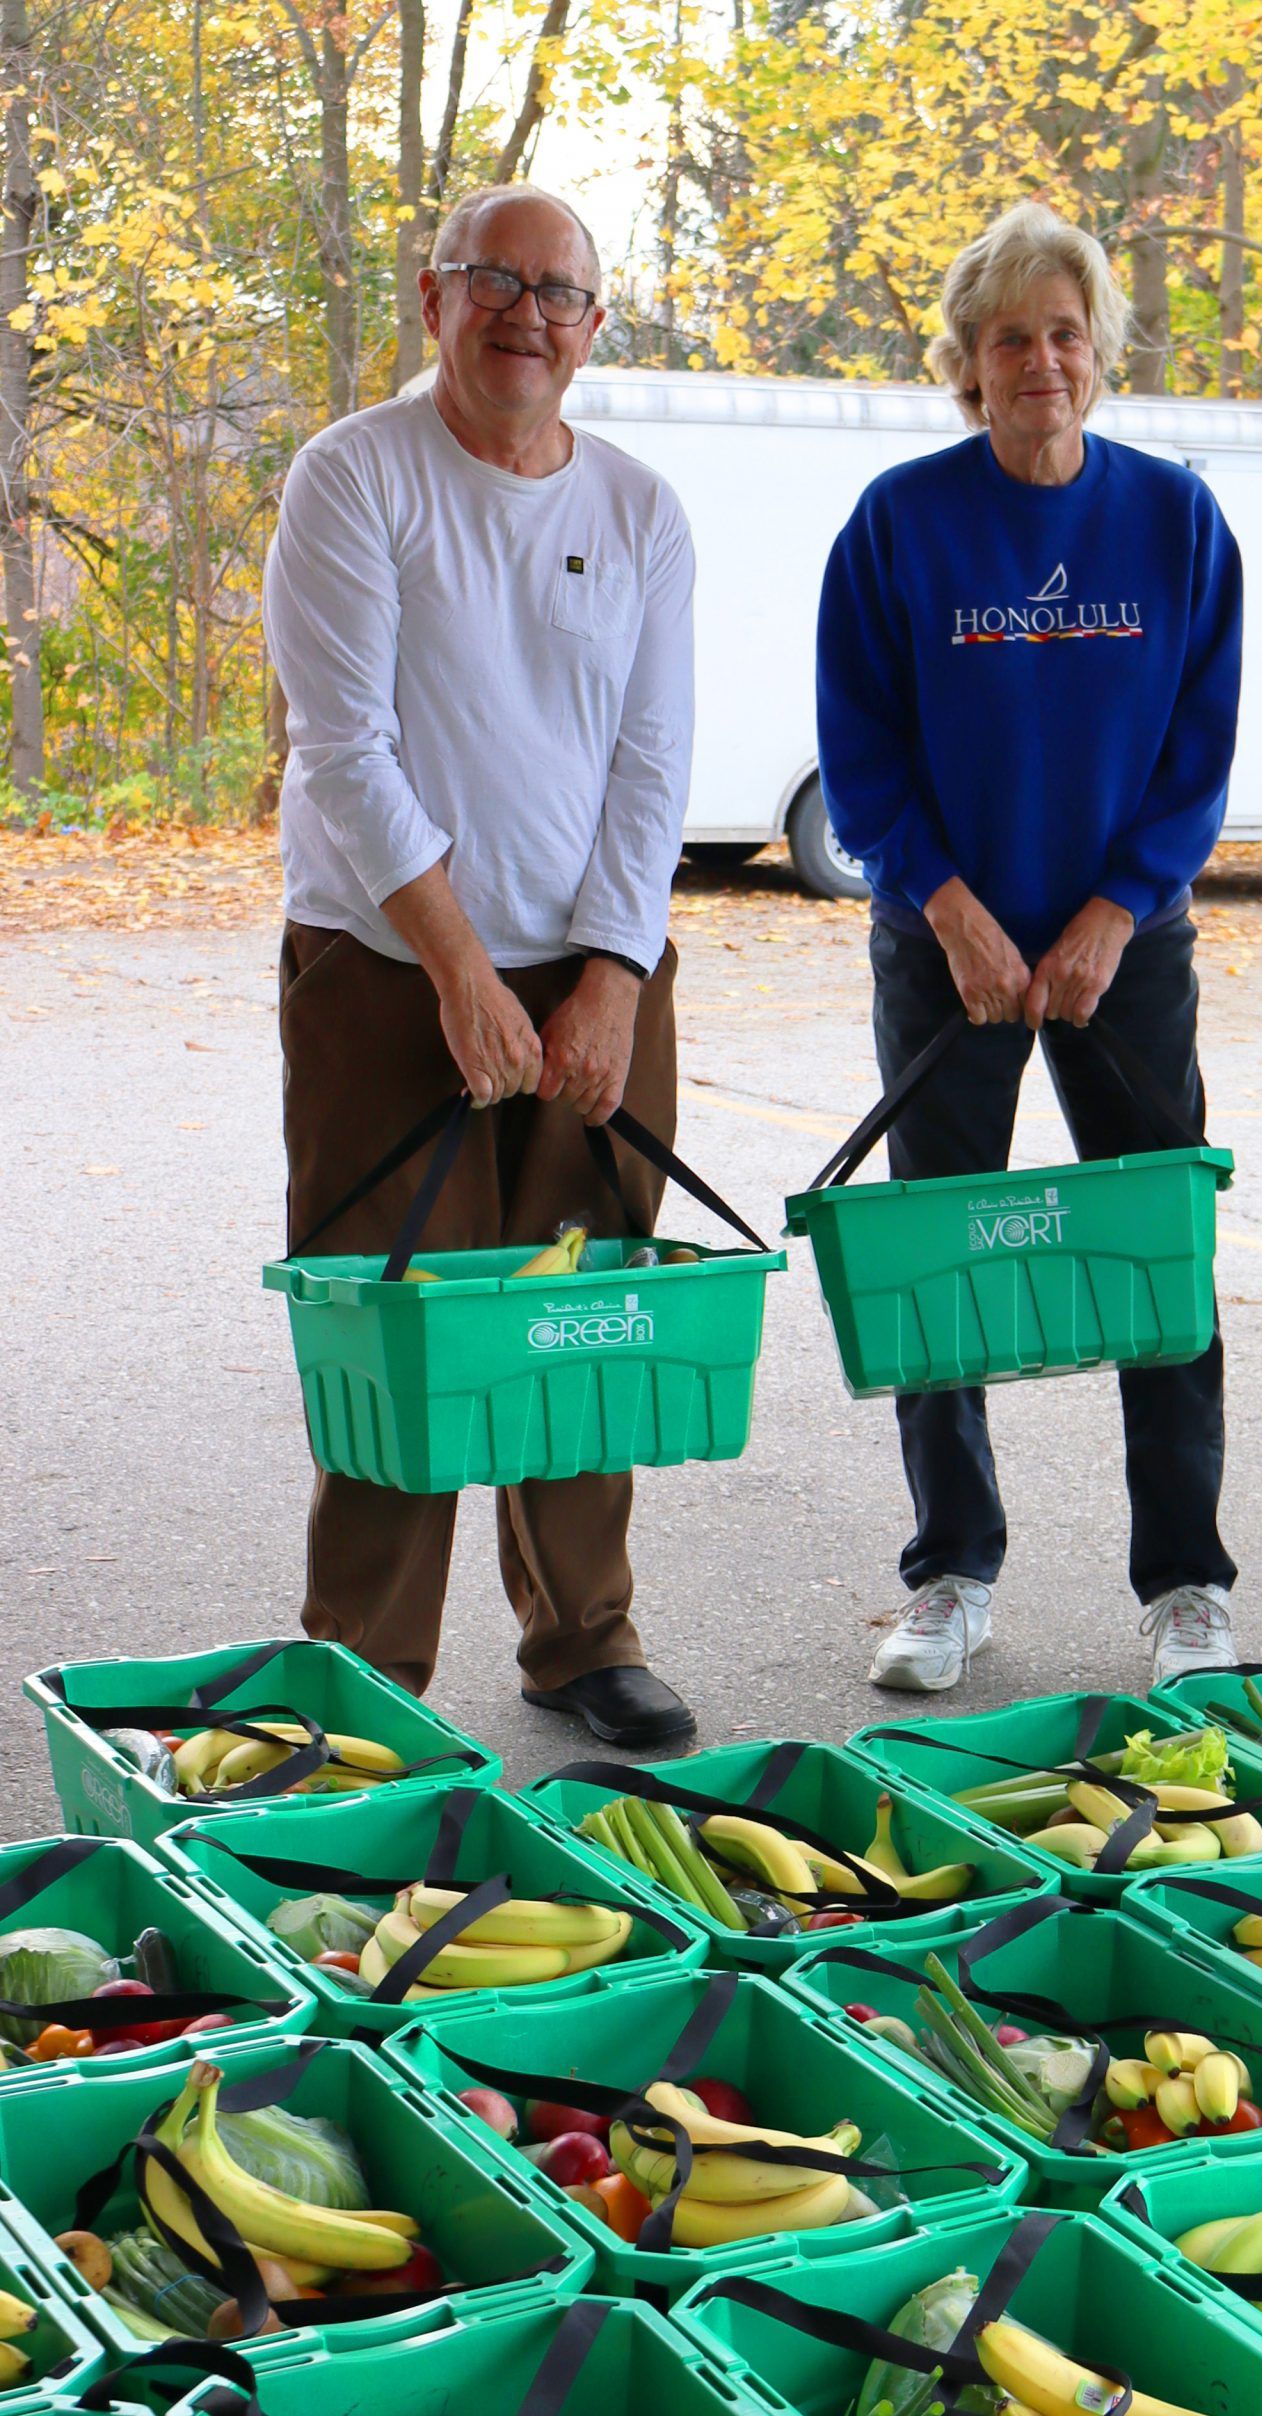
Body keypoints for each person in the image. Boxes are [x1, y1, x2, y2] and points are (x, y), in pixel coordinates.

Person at [262, 183, 700, 1748]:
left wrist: (614, 974)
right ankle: (366, 1674)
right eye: (493, 282)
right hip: (389, 972)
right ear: (433, 298)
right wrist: (457, 970)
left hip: (590, 976)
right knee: (402, 1322)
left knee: (580, 1311)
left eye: (558, 291)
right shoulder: (354, 476)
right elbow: (344, 747)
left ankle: (584, 1638)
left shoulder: (640, 510)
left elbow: (653, 763)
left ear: (594, 326)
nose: (527, 314)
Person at [816, 202, 1246, 1694]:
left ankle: (1187, 1583)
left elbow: (1198, 751)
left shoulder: (1175, 521)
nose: (1042, 362)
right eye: (1011, 339)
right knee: (938, 1258)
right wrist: (950, 909)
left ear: (1100, 350)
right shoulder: (898, 523)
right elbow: (862, 753)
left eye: (1066, 333)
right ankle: (949, 1574)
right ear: (968, 363)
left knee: (1160, 1257)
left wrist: (1117, 910)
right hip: (948, 947)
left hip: (1126, 948)